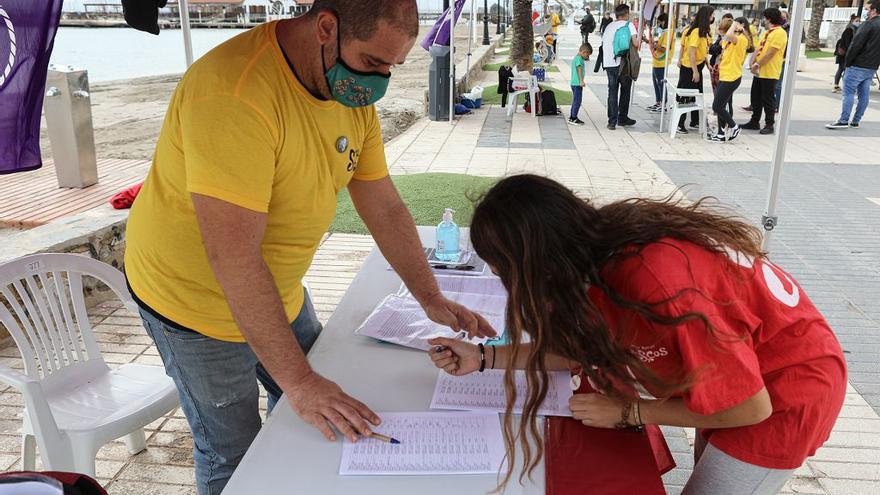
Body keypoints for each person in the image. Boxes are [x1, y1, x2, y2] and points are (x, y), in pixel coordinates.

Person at [124, 2, 495, 493]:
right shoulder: (234, 94)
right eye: (371, 63)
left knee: (318, 406)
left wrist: (430, 297)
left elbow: (382, 205)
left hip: (278, 288)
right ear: (325, 27)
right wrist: (299, 383)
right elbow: (233, 257)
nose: (379, 81)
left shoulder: (349, 95)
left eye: (391, 66)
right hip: (192, 302)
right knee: (231, 449)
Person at [428, 174, 846, 495]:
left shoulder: (655, 280)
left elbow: (749, 409)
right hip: (738, 377)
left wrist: (631, 411)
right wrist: (481, 357)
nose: (513, 290)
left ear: (541, 260)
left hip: (787, 394)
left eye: (511, 275)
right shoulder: (595, 253)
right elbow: (574, 349)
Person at [827, 1, 880, 129]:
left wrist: (848, 62)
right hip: (871, 66)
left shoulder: (868, 24)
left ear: (874, 10)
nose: (867, 12)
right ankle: (855, 121)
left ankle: (844, 120)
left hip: (858, 64)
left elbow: (855, 45)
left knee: (848, 93)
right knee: (864, 94)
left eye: (868, 9)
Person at [741, 8, 788, 135]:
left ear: (769, 18)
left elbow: (771, 52)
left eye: (764, 17)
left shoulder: (780, 33)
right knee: (755, 97)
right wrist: (751, 61)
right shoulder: (767, 32)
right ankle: (754, 121)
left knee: (768, 98)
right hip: (759, 71)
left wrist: (757, 64)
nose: (763, 20)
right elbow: (759, 49)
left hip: (770, 71)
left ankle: (769, 124)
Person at [711, 18, 753, 142]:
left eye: (723, 30)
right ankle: (721, 133)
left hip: (732, 77)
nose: (722, 33)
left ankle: (734, 127)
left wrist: (735, 23)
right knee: (721, 106)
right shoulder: (728, 41)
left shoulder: (740, 40)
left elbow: (729, 35)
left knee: (717, 106)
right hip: (725, 76)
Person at [676, 6, 714, 134]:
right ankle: (680, 124)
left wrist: (707, 63)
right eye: (711, 15)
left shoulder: (703, 32)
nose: (713, 18)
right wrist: (695, 71)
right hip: (690, 68)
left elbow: (702, 51)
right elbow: (691, 52)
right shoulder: (696, 31)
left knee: (697, 95)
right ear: (706, 16)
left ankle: (695, 121)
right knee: (686, 96)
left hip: (697, 66)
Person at [600, 4, 638, 130]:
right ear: (626, 13)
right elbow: (635, 43)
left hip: (609, 63)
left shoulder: (609, 26)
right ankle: (622, 118)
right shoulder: (629, 25)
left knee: (612, 91)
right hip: (623, 64)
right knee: (625, 90)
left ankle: (611, 122)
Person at [647, 13, 675, 113]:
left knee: (661, 83)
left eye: (659, 22)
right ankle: (658, 102)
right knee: (656, 83)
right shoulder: (664, 32)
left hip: (662, 62)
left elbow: (664, 48)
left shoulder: (668, 33)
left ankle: (663, 104)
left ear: (664, 21)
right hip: (657, 61)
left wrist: (654, 45)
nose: (658, 24)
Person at [833, 14, 862, 93]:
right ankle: (839, 86)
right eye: (857, 21)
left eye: (859, 21)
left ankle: (836, 85)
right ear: (852, 21)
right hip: (844, 53)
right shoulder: (849, 30)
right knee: (843, 69)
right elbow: (847, 43)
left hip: (845, 53)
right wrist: (851, 53)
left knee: (842, 69)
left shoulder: (855, 29)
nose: (859, 22)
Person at [570, 43, 593, 125]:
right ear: (584, 52)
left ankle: (572, 116)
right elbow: (579, 69)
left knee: (575, 100)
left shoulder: (576, 58)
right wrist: (581, 81)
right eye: (587, 55)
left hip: (574, 83)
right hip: (577, 84)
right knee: (577, 101)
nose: (588, 57)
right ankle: (573, 118)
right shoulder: (579, 59)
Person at [774, 10, 791, 113]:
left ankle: (778, 105)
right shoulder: (778, 29)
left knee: (778, 84)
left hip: (783, 58)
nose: (782, 18)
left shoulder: (787, 29)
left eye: (784, 17)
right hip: (777, 59)